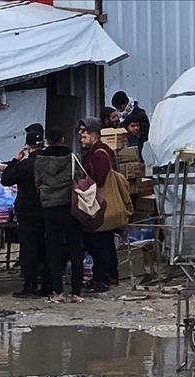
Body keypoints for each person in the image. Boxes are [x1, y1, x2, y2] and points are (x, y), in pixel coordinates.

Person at [34, 127, 84, 304]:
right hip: (70, 207)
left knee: (53, 250)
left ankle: (58, 293)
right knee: (76, 249)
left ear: (46, 141)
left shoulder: (40, 160)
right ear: (62, 139)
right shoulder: (72, 158)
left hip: (50, 208)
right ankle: (76, 293)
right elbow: (79, 178)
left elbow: (37, 182)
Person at [1, 127, 51, 298]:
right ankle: (47, 286)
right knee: (46, 248)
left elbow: (6, 180)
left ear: (28, 147)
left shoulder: (24, 165)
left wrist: (15, 161)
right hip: (47, 209)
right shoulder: (49, 163)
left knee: (29, 249)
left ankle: (29, 286)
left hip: (27, 212)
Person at [79, 117, 119, 292]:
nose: (81, 136)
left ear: (93, 134)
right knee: (104, 241)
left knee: (99, 242)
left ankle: (103, 278)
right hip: (101, 203)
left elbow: (100, 178)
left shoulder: (99, 153)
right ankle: (109, 275)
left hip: (99, 204)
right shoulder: (97, 151)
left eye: (83, 132)